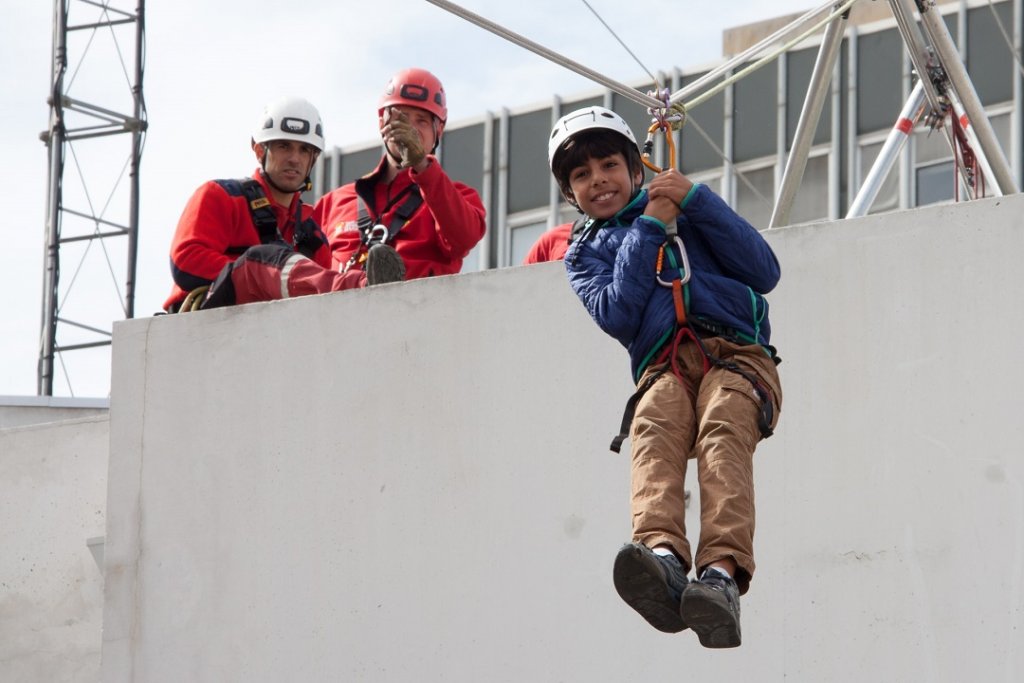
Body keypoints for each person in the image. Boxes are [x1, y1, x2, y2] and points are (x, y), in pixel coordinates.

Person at [551, 106, 782, 648]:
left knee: (724, 430)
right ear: (570, 195)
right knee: (654, 433)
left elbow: (764, 271)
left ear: (636, 169)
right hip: (665, 364)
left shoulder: (691, 207)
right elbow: (617, 312)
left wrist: (696, 202)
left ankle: (721, 572)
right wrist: (650, 224)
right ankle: (662, 556)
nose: (598, 180)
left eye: (608, 164)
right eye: (582, 176)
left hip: (737, 353)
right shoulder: (584, 252)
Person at [163, 97, 404, 313]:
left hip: (274, 335)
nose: (294, 158)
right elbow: (186, 263)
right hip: (205, 318)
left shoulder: (311, 235)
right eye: (283, 146)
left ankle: (363, 291)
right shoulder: (221, 197)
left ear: (314, 159)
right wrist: (257, 276)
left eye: (304, 150)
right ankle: (361, 287)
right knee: (259, 262)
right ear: (259, 150)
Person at [313, 68, 486, 279]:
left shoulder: (456, 198)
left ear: (438, 130)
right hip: (342, 310)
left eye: (421, 120)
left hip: (419, 310)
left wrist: (422, 166)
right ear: (381, 123)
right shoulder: (333, 204)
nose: (409, 129)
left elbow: (464, 238)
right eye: (401, 117)